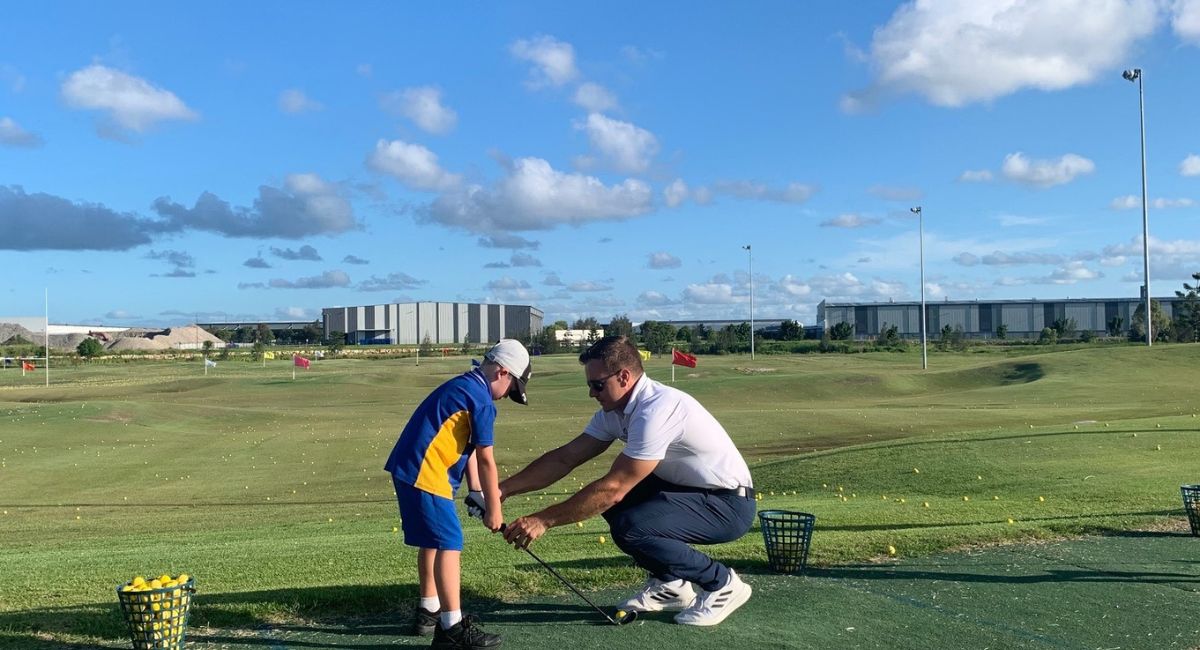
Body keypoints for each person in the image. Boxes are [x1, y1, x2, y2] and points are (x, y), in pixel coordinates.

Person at [500, 335, 755, 626]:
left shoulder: (657, 409)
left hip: (729, 505)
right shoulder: (616, 412)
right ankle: (671, 585)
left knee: (630, 525)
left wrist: (543, 520)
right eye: (590, 386)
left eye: (597, 385)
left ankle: (722, 583)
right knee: (617, 510)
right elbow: (565, 458)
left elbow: (614, 489)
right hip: (690, 492)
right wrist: (503, 489)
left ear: (623, 376)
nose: (592, 394)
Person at [384, 339, 532, 649]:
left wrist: (476, 491)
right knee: (450, 542)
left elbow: (470, 453)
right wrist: (494, 509)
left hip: (411, 469)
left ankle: (429, 609)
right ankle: (451, 626)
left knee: (433, 540)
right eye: (511, 388)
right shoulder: (481, 400)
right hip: (426, 474)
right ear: (502, 373)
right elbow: (488, 458)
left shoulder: (466, 386)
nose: (508, 396)